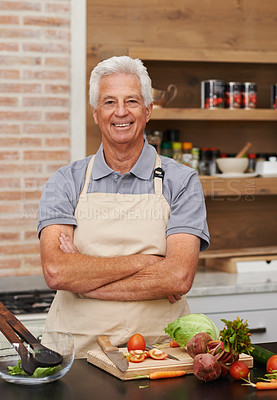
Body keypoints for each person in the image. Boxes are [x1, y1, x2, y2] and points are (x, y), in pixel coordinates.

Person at [38, 55, 209, 358]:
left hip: (160, 354)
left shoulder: (182, 181)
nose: (120, 112)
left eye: (131, 101)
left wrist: (84, 280)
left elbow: (178, 276)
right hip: (75, 356)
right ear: (95, 114)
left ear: (147, 110)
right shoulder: (64, 181)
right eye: (109, 102)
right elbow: (56, 272)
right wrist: (147, 263)